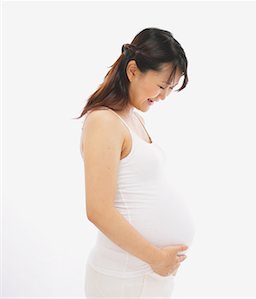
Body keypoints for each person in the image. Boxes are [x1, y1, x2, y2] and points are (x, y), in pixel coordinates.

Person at [76, 27, 196, 298]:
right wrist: (156, 258)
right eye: (162, 85)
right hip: (124, 279)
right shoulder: (103, 122)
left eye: (171, 88)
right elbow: (98, 210)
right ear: (133, 70)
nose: (165, 96)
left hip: (142, 277)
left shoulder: (132, 118)